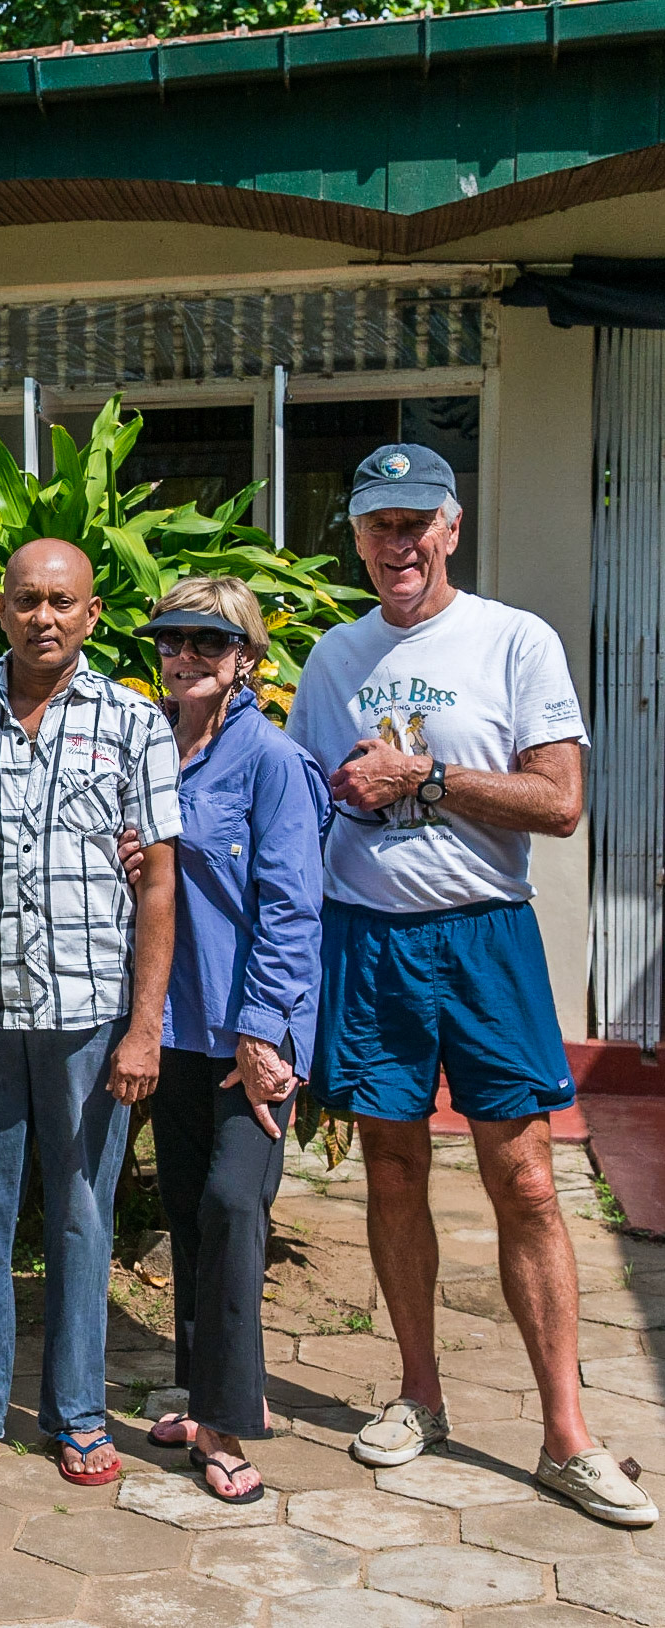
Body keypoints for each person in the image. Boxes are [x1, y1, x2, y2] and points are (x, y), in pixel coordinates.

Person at [285, 442, 657, 1528]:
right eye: (376, 526)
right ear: (355, 538)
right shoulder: (332, 656)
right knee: (392, 1168)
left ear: (451, 527)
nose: (396, 544)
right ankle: (420, 1394)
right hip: (370, 941)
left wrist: (428, 775)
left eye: (415, 524)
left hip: (486, 938)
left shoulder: (513, 638)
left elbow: (560, 802)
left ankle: (566, 1434)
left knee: (528, 1180)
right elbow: (302, 810)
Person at [0, 537, 180, 1492]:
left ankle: (77, 1414)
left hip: (91, 1016)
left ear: (92, 615)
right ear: (2, 610)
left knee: (81, 1215)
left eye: (63, 601)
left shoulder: (135, 724)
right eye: (27, 601)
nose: (44, 617)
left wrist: (145, 1026)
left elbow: (159, 888)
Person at [126, 577, 328, 1505]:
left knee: (234, 1206)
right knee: (188, 1211)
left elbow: (291, 909)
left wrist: (263, 1031)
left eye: (210, 643)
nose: (187, 657)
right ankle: (206, 1396)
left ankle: (225, 1422)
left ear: (246, 658)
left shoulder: (271, 761)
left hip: (250, 1034)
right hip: (169, 1025)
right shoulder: (145, 750)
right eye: (173, 641)